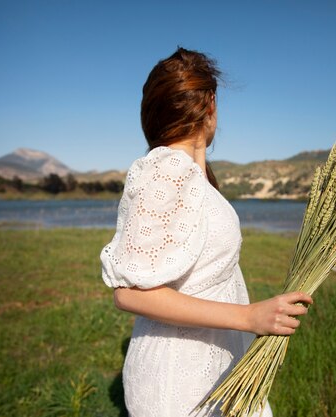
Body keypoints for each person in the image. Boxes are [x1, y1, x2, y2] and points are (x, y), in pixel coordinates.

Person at [100, 47, 312, 417]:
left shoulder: (195, 178)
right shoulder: (166, 171)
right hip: (177, 381)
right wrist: (249, 318)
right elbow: (130, 295)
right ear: (210, 104)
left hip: (216, 364)